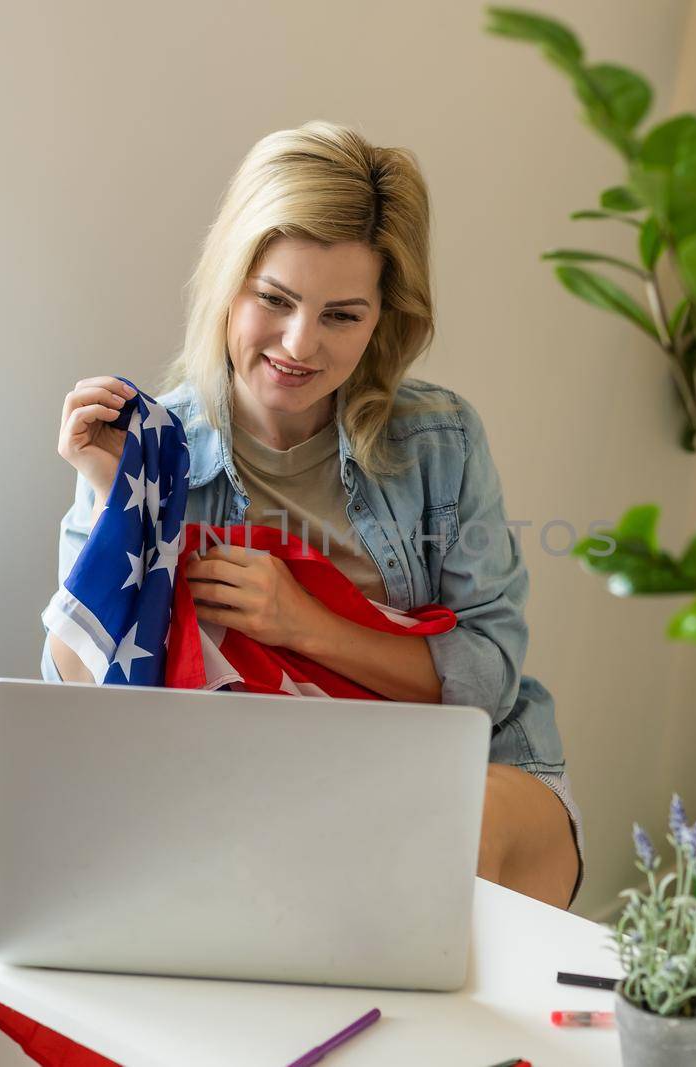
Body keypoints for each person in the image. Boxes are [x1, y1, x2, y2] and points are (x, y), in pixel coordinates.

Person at [44, 121, 580, 909]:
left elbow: (489, 681)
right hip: (271, 797)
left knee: (437, 852)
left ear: (382, 319)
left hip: (470, 774)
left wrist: (302, 624)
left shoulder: (442, 442)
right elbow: (84, 705)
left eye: (342, 314)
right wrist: (111, 500)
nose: (300, 343)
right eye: (276, 299)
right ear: (230, 284)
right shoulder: (157, 451)